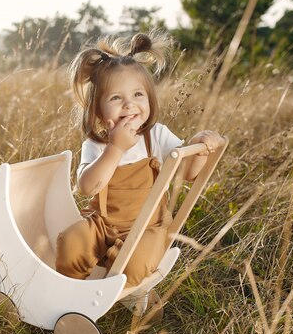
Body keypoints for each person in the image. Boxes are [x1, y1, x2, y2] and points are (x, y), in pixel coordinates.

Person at [55, 30, 223, 289]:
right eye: (116, 98)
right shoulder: (97, 145)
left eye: (137, 95)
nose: (129, 105)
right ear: (98, 109)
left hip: (148, 227)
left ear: (149, 99)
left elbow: (187, 172)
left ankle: (115, 288)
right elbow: (87, 187)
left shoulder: (156, 136)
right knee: (72, 241)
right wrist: (116, 148)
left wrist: (198, 147)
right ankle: (71, 289)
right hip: (103, 225)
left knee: (135, 263)